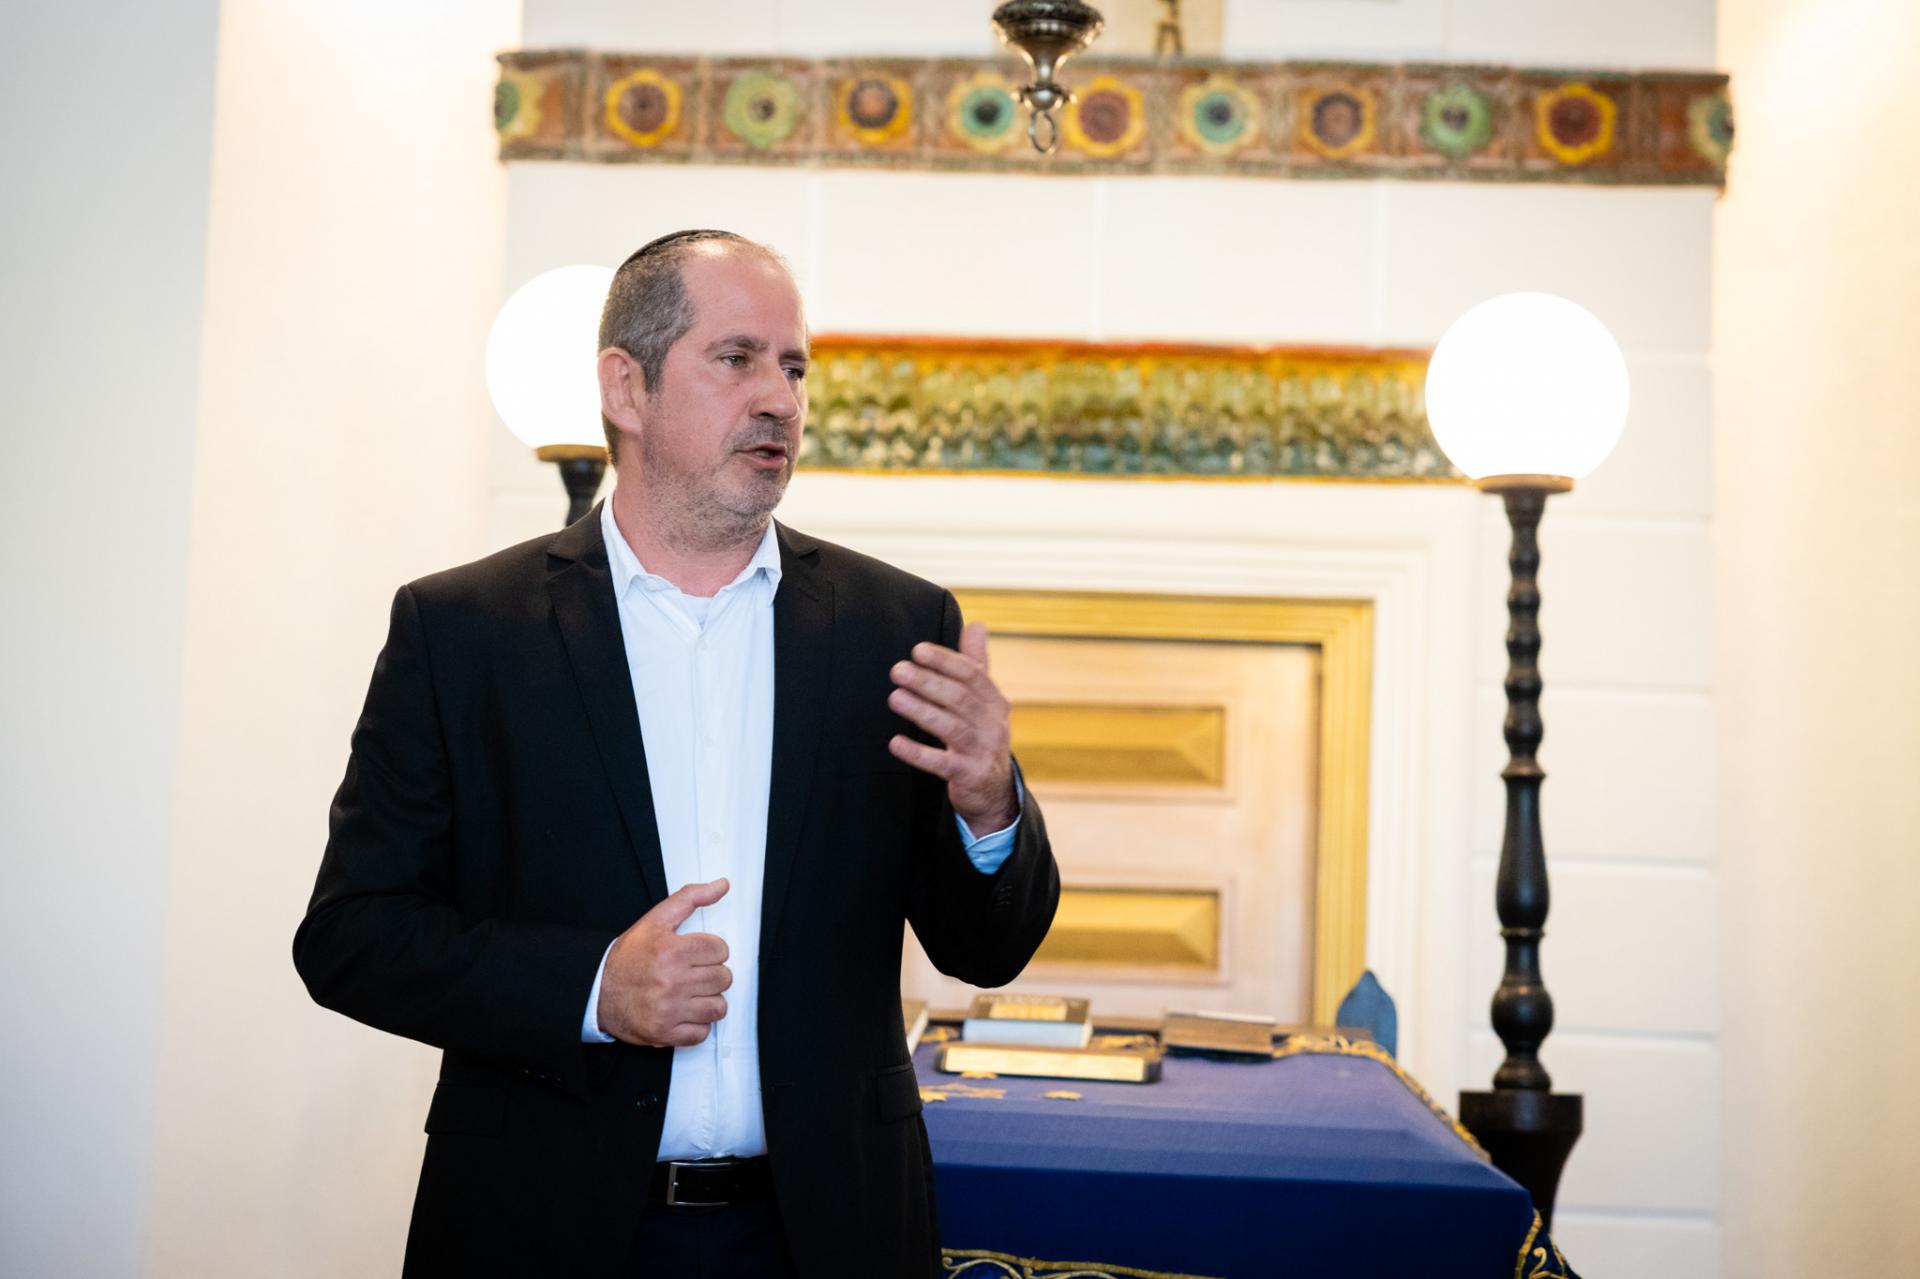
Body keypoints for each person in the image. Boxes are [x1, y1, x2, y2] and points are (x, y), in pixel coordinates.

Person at [293, 230, 1060, 1276]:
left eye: (794, 368)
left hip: (825, 1236)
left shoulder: (893, 627)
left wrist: (988, 807)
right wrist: (592, 987)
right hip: (544, 1230)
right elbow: (353, 936)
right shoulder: (467, 631)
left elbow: (988, 950)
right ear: (627, 386)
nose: (779, 399)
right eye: (736, 358)